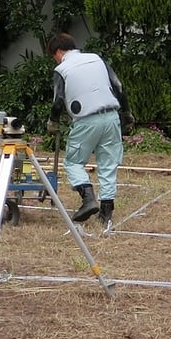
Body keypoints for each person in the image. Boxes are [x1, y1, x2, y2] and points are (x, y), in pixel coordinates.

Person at [46, 33, 134, 229]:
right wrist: (126, 114)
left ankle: (88, 199)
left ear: (58, 52)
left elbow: (58, 100)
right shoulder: (97, 59)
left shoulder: (62, 69)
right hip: (111, 116)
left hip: (86, 119)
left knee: (73, 162)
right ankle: (106, 213)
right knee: (108, 164)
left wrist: (53, 121)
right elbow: (119, 87)